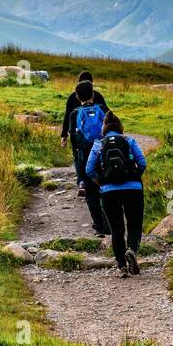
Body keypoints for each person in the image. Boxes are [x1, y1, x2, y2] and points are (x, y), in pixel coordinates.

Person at [85, 112, 147, 276]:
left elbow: (89, 170)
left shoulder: (98, 144)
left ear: (104, 128)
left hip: (109, 191)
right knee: (134, 224)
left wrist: (102, 182)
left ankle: (122, 267)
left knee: (117, 229)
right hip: (133, 189)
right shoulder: (129, 140)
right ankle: (132, 250)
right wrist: (134, 178)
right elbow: (142, 162)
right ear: (120, 127)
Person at [63, 78, 110, 234]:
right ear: (93, 94)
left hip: (85, 156)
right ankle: (111, 222)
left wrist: (78, 161)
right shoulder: (102, 108)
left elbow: (74, 141)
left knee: (91, 193)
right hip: (103, 154)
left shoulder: (75, 114)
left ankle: (98, 226)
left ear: (77, 96)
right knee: (106, 187)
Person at [62, 71, 108, 193]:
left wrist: (64, 135)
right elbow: (108, 118)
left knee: (79, 157)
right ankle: (102, 179)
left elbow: (67, 117)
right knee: (99, 156)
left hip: (81, 140)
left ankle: (82, 181)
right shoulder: (99, 98)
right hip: (99, 139)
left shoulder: (73, 100)